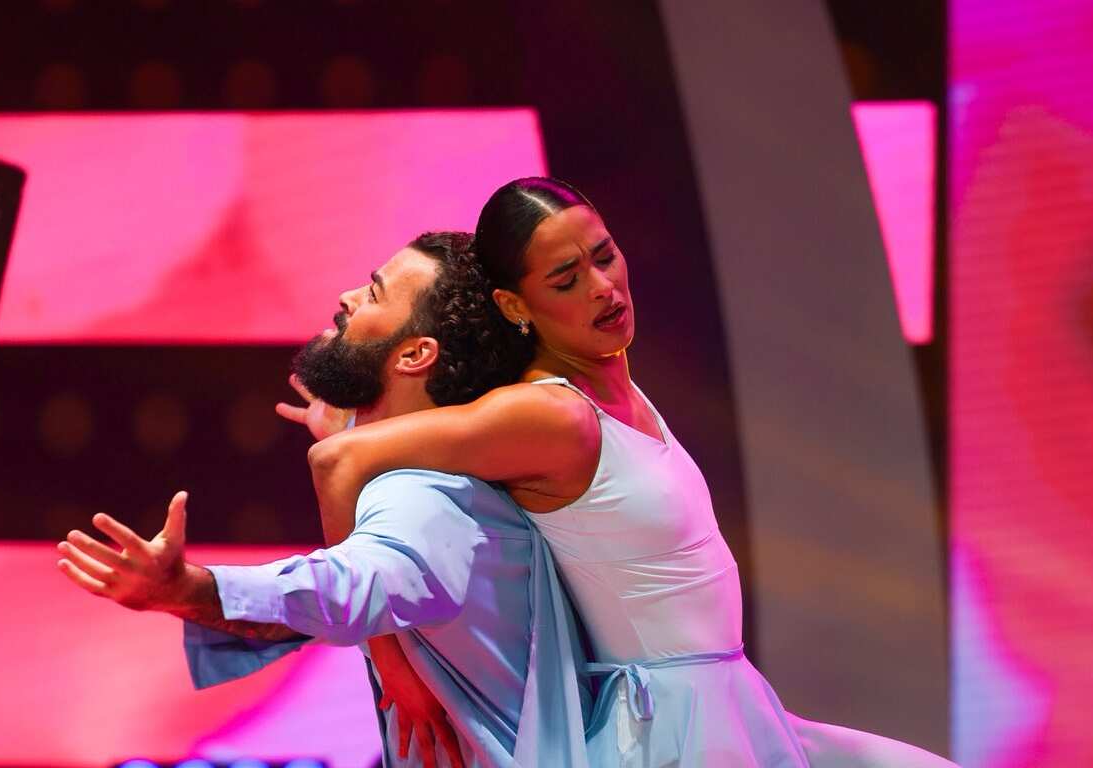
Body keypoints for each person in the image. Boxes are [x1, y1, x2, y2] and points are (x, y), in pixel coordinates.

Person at [305, 178, 959, 767]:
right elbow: (338, 462)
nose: (602, 287)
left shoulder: (611, 384)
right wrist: (393, 666)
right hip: (669, 732)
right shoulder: (552, 413)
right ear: (515, 305)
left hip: (727, 703)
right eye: (565, 280)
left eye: (604, 256)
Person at [55, 232, 593, 768]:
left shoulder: (424, 497)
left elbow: (343, 592)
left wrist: (187, 589)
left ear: (415, 354)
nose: (347, 297)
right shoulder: (443, 481)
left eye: (375, 293)